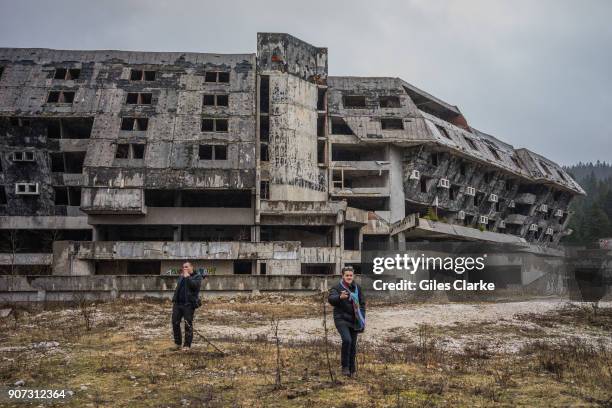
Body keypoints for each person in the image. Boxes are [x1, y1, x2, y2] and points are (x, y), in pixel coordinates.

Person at [328, 266, 366, 377]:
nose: (349, 277)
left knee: (353, 345)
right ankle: (345, 367)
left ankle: (352, 369)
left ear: (353, 276)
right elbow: (331, 299)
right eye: (347, 275)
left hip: (355, 320)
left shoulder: (357, 288)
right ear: (343, 276)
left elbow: (362, 305)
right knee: (347, 340)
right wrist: (340, 297)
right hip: (341, 319)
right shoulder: (337, 287)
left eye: (351, 275)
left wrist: (362, 319)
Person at [171, 262, 204, 350]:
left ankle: (187, 345)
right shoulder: (181, 276)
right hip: (178, 304)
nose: (184, 268)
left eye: (186, 267)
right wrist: (174, 299)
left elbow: (194, 286)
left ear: (191, 267)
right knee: (175, 322)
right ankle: (177, 343)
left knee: (188, 324)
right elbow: (178, 288)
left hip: (188, 305)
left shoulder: (197, 276)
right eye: (183, 267)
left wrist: (187, 277)